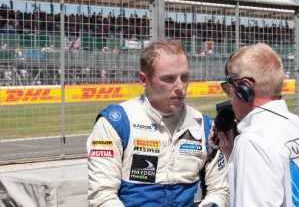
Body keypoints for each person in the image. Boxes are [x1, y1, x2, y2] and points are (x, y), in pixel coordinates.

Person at [87, 39, 228, 207]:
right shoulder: (114, 123)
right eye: (169, 79)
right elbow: (102, 195)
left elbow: (219, 190)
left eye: (185, 77)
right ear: (144, 79)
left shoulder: (205, 126)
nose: (180, 87)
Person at [215, 43, 299, 206]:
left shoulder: (253, 141)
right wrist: (233, 155)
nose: (229, 97)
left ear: (244, 89)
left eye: (229, 88)